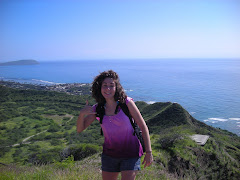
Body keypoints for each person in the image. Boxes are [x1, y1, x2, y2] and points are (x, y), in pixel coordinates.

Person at [77, 70, 153, 180]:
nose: (108, 89)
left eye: (111, 85)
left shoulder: (126, 103)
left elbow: (143, 126)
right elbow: (80, 129)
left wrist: (149, 152)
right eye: (105, 85)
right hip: (110, 155)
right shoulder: (98, 109)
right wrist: (81, 114)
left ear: (116, 87)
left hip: (131, 153)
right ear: (100, 88)